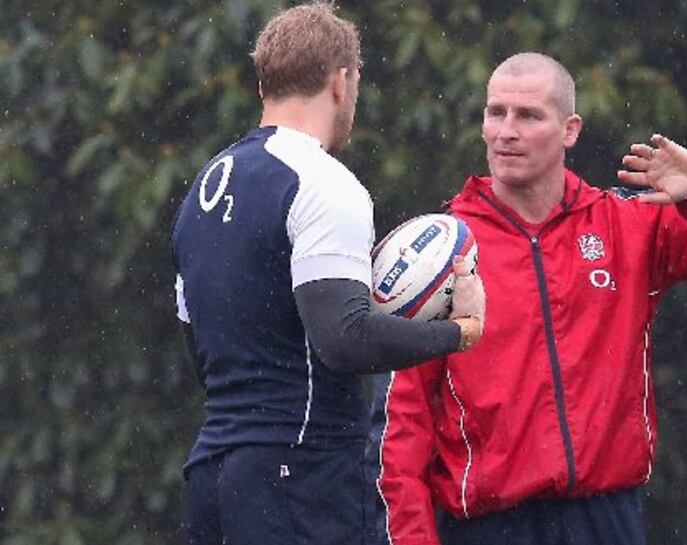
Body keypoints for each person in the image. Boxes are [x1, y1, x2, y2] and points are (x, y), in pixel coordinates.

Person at [371, 52, 687, 545]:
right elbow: (400, 432)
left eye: (528, 115)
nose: (506, 130)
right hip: (488, 528)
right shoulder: (438, 253)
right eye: (496, 112)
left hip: (606, 519)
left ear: (570, 130)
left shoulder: (625, 226)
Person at [170, 4, 485, 545]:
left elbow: (197, 342)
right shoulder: (322, 181)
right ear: (341, 82)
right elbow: (345, 339)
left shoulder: (205, 188)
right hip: (299, 471)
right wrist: (460, 330)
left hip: (215, 474)